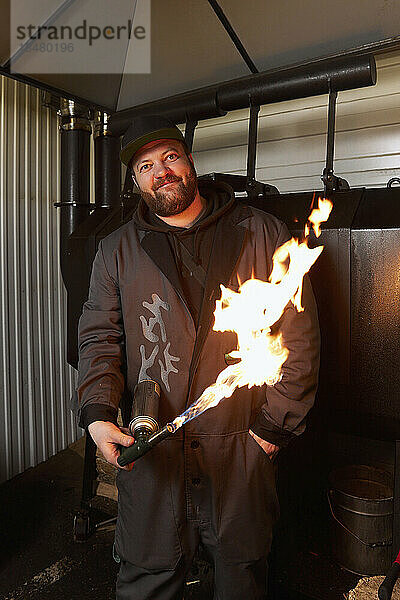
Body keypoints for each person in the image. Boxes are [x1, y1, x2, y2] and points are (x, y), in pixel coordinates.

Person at [77, 115, 320, 600]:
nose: (161, 171)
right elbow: (99, 337)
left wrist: (272, 430)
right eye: (146, 166)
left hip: (239, 441)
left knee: (242, 572)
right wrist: (100, 414)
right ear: (135, 181)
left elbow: (299, 335)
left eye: (169, 157)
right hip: (154, 442)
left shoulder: (261, 232)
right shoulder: (117, 250)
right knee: (148, 573)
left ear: (190, 161)